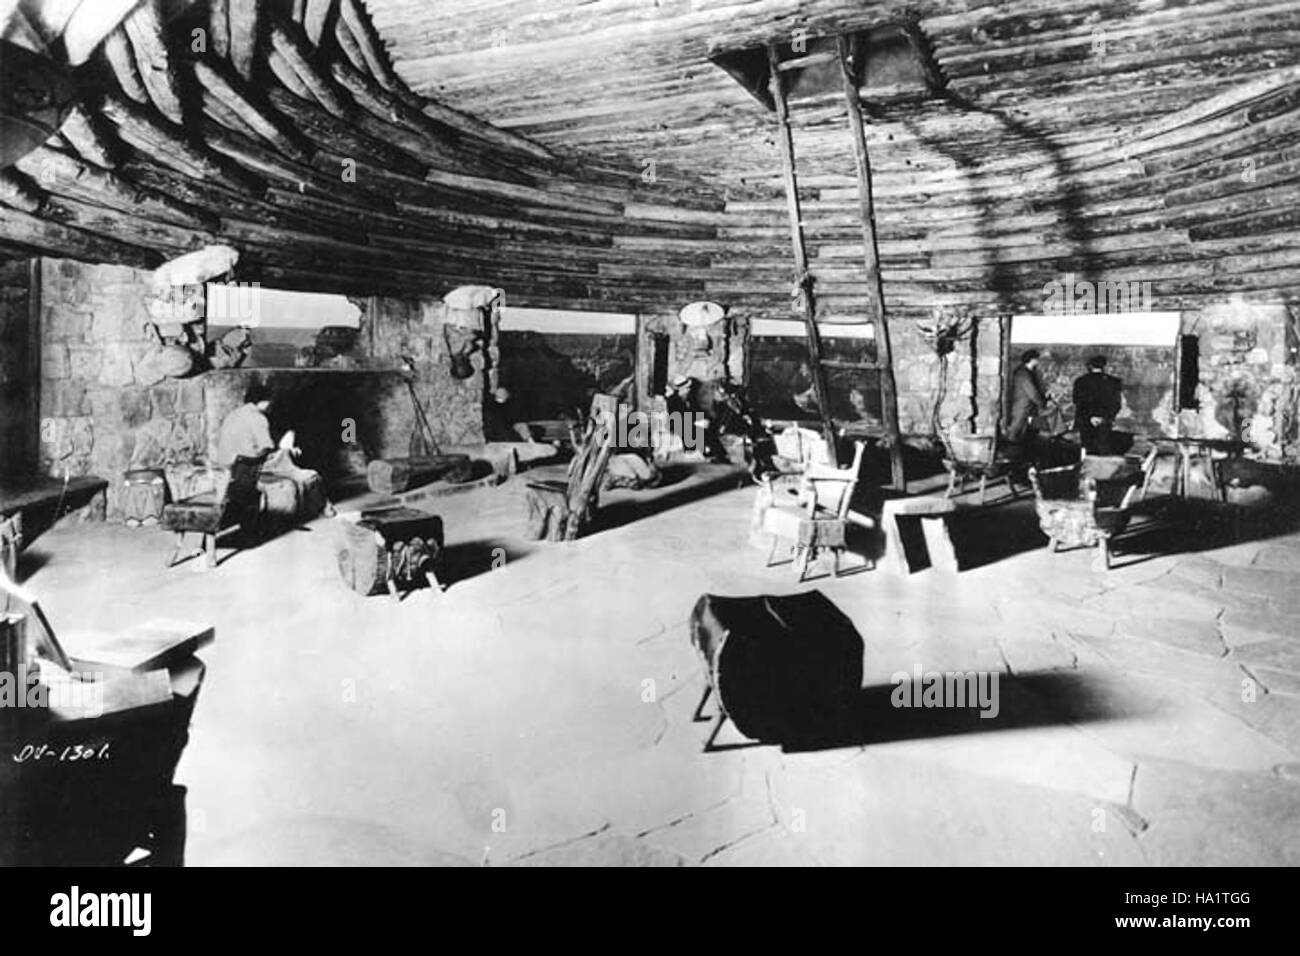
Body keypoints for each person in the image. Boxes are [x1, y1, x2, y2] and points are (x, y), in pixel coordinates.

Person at [214, 383, 333, 517]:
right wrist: (287, 449)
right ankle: (325, 508)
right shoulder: (258, 418)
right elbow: (266, 447)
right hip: (250, 466)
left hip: (230, 465)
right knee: (311, 475)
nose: (270, 404)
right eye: (269, 401)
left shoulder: (233, 415)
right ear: (262, 401)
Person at [1073, 355, 1124, 455]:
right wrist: (1104, 417)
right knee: (1103, 449)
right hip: (1105, 421)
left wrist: (1090, 417)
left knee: (1087, 448)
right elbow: (1116, 405)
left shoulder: (1080, 382)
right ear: (1104, 366)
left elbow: (1078, 402)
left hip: (1085, 421)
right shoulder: (1115, 382)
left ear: (1090, 366)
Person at [1005, 350, 1050, 460]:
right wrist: (1042, 402)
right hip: (1022, 409)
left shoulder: (1025, 373)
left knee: (1024, 437)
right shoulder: (1023, 374)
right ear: (1032, 360)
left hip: (1026, 409)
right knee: (1016, 436)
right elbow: (1033, 393)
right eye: (1037, 359)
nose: (1038, 361)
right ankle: (1015, 461)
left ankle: (1022, 460)